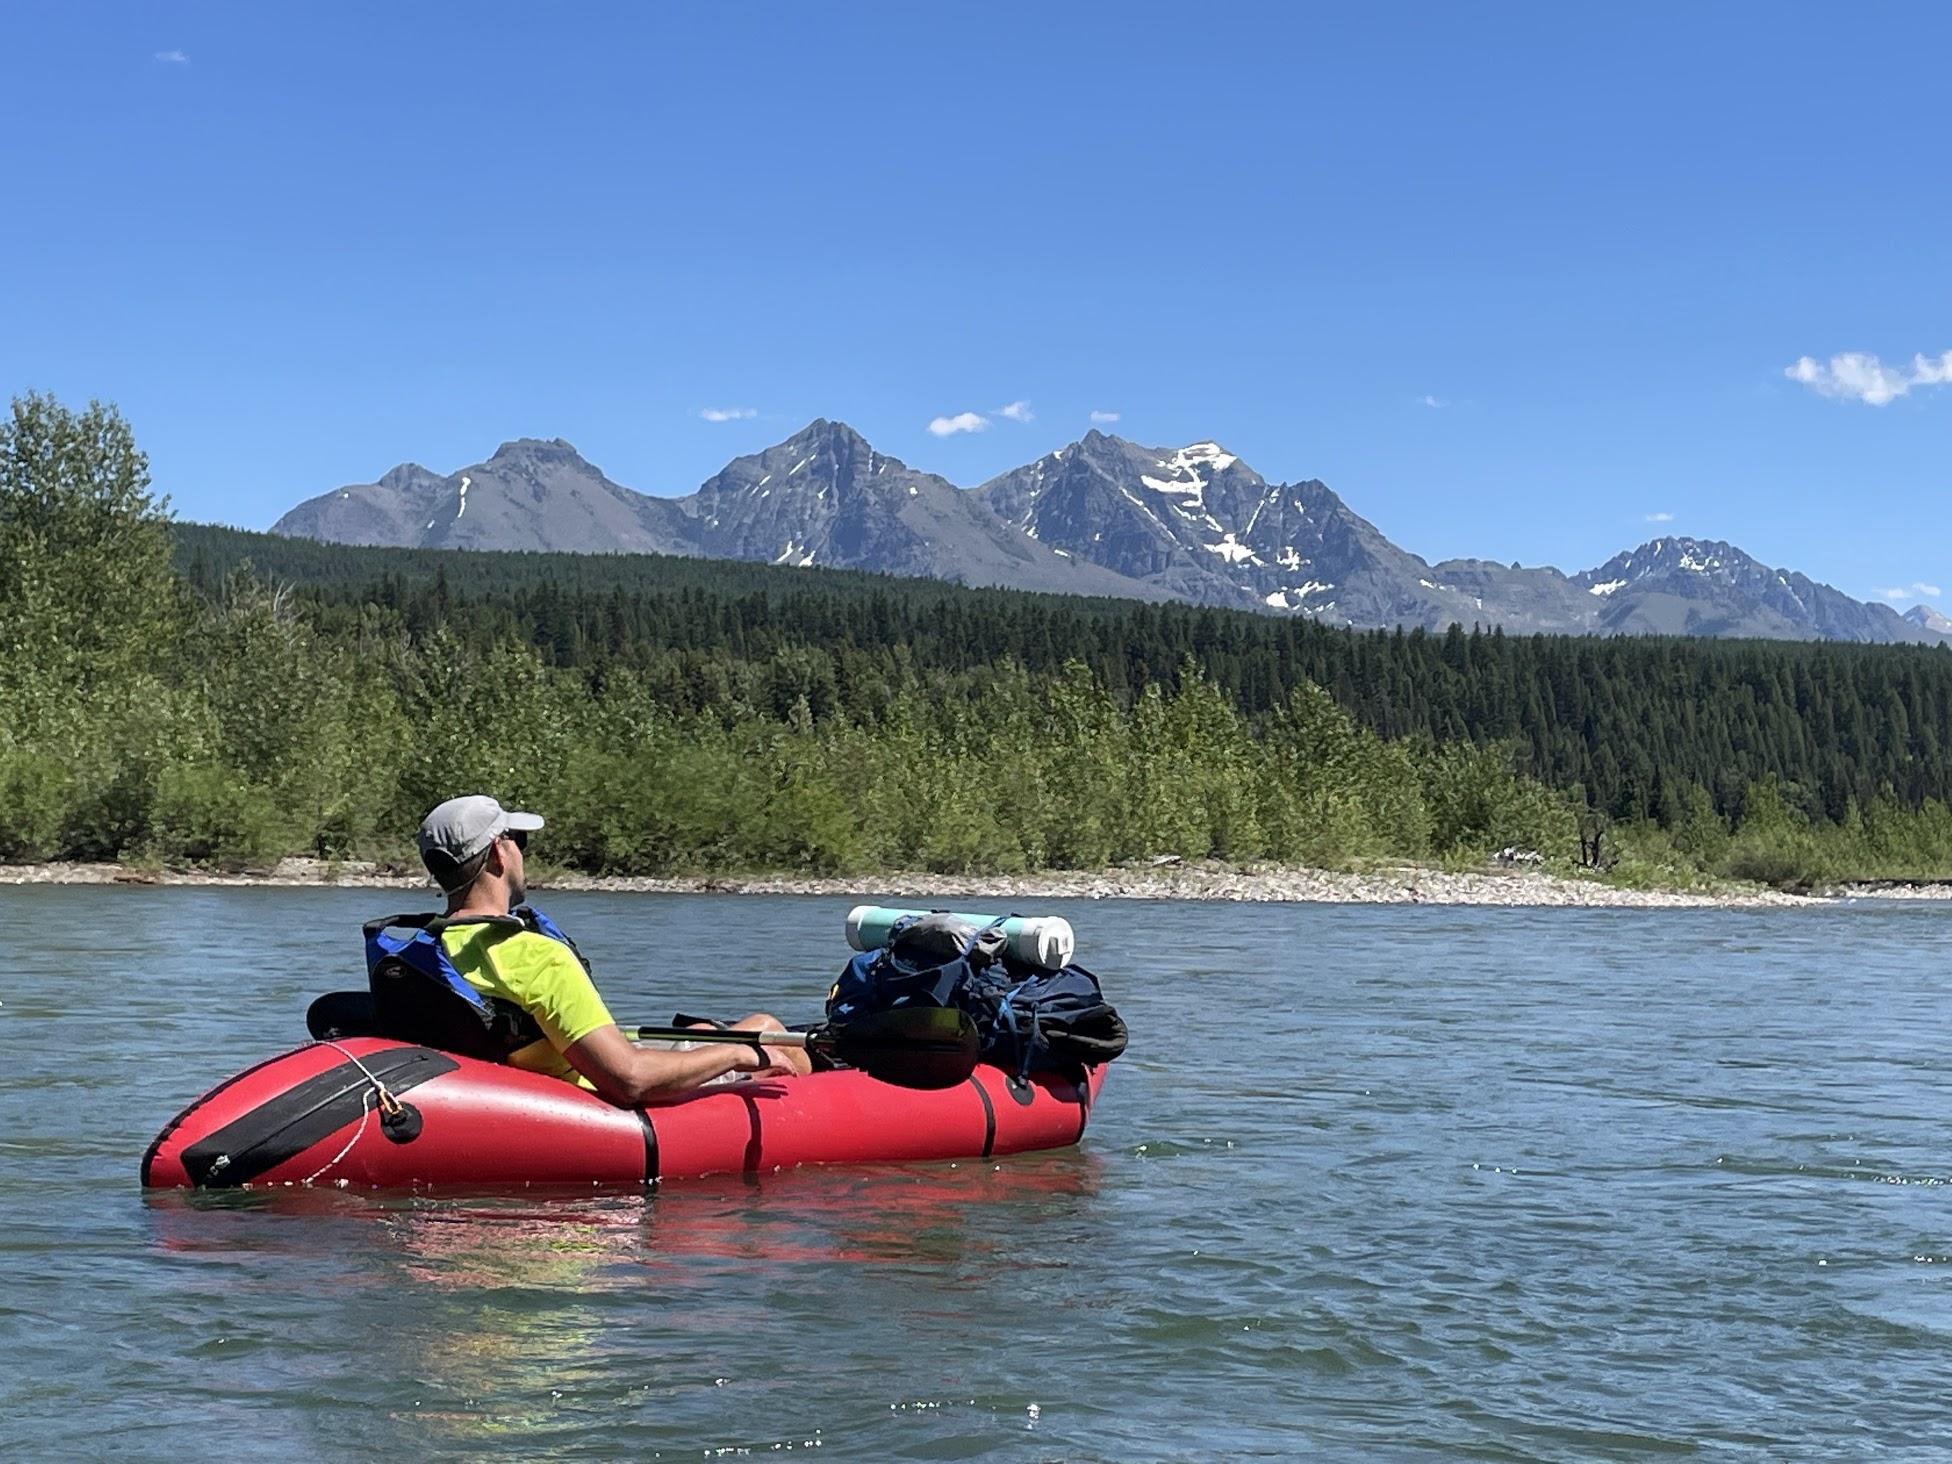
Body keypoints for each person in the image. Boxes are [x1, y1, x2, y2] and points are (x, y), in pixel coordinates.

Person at [414, 794, 812, 1104]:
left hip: (544, 1069)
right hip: (596, 1095)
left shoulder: (427, 950)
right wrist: (736, 1057)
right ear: (500, 853)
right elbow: (630, 1079)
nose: (522, 851)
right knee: (767, 1031)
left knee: (706, 1032)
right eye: (518, 840)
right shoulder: (535, 958)